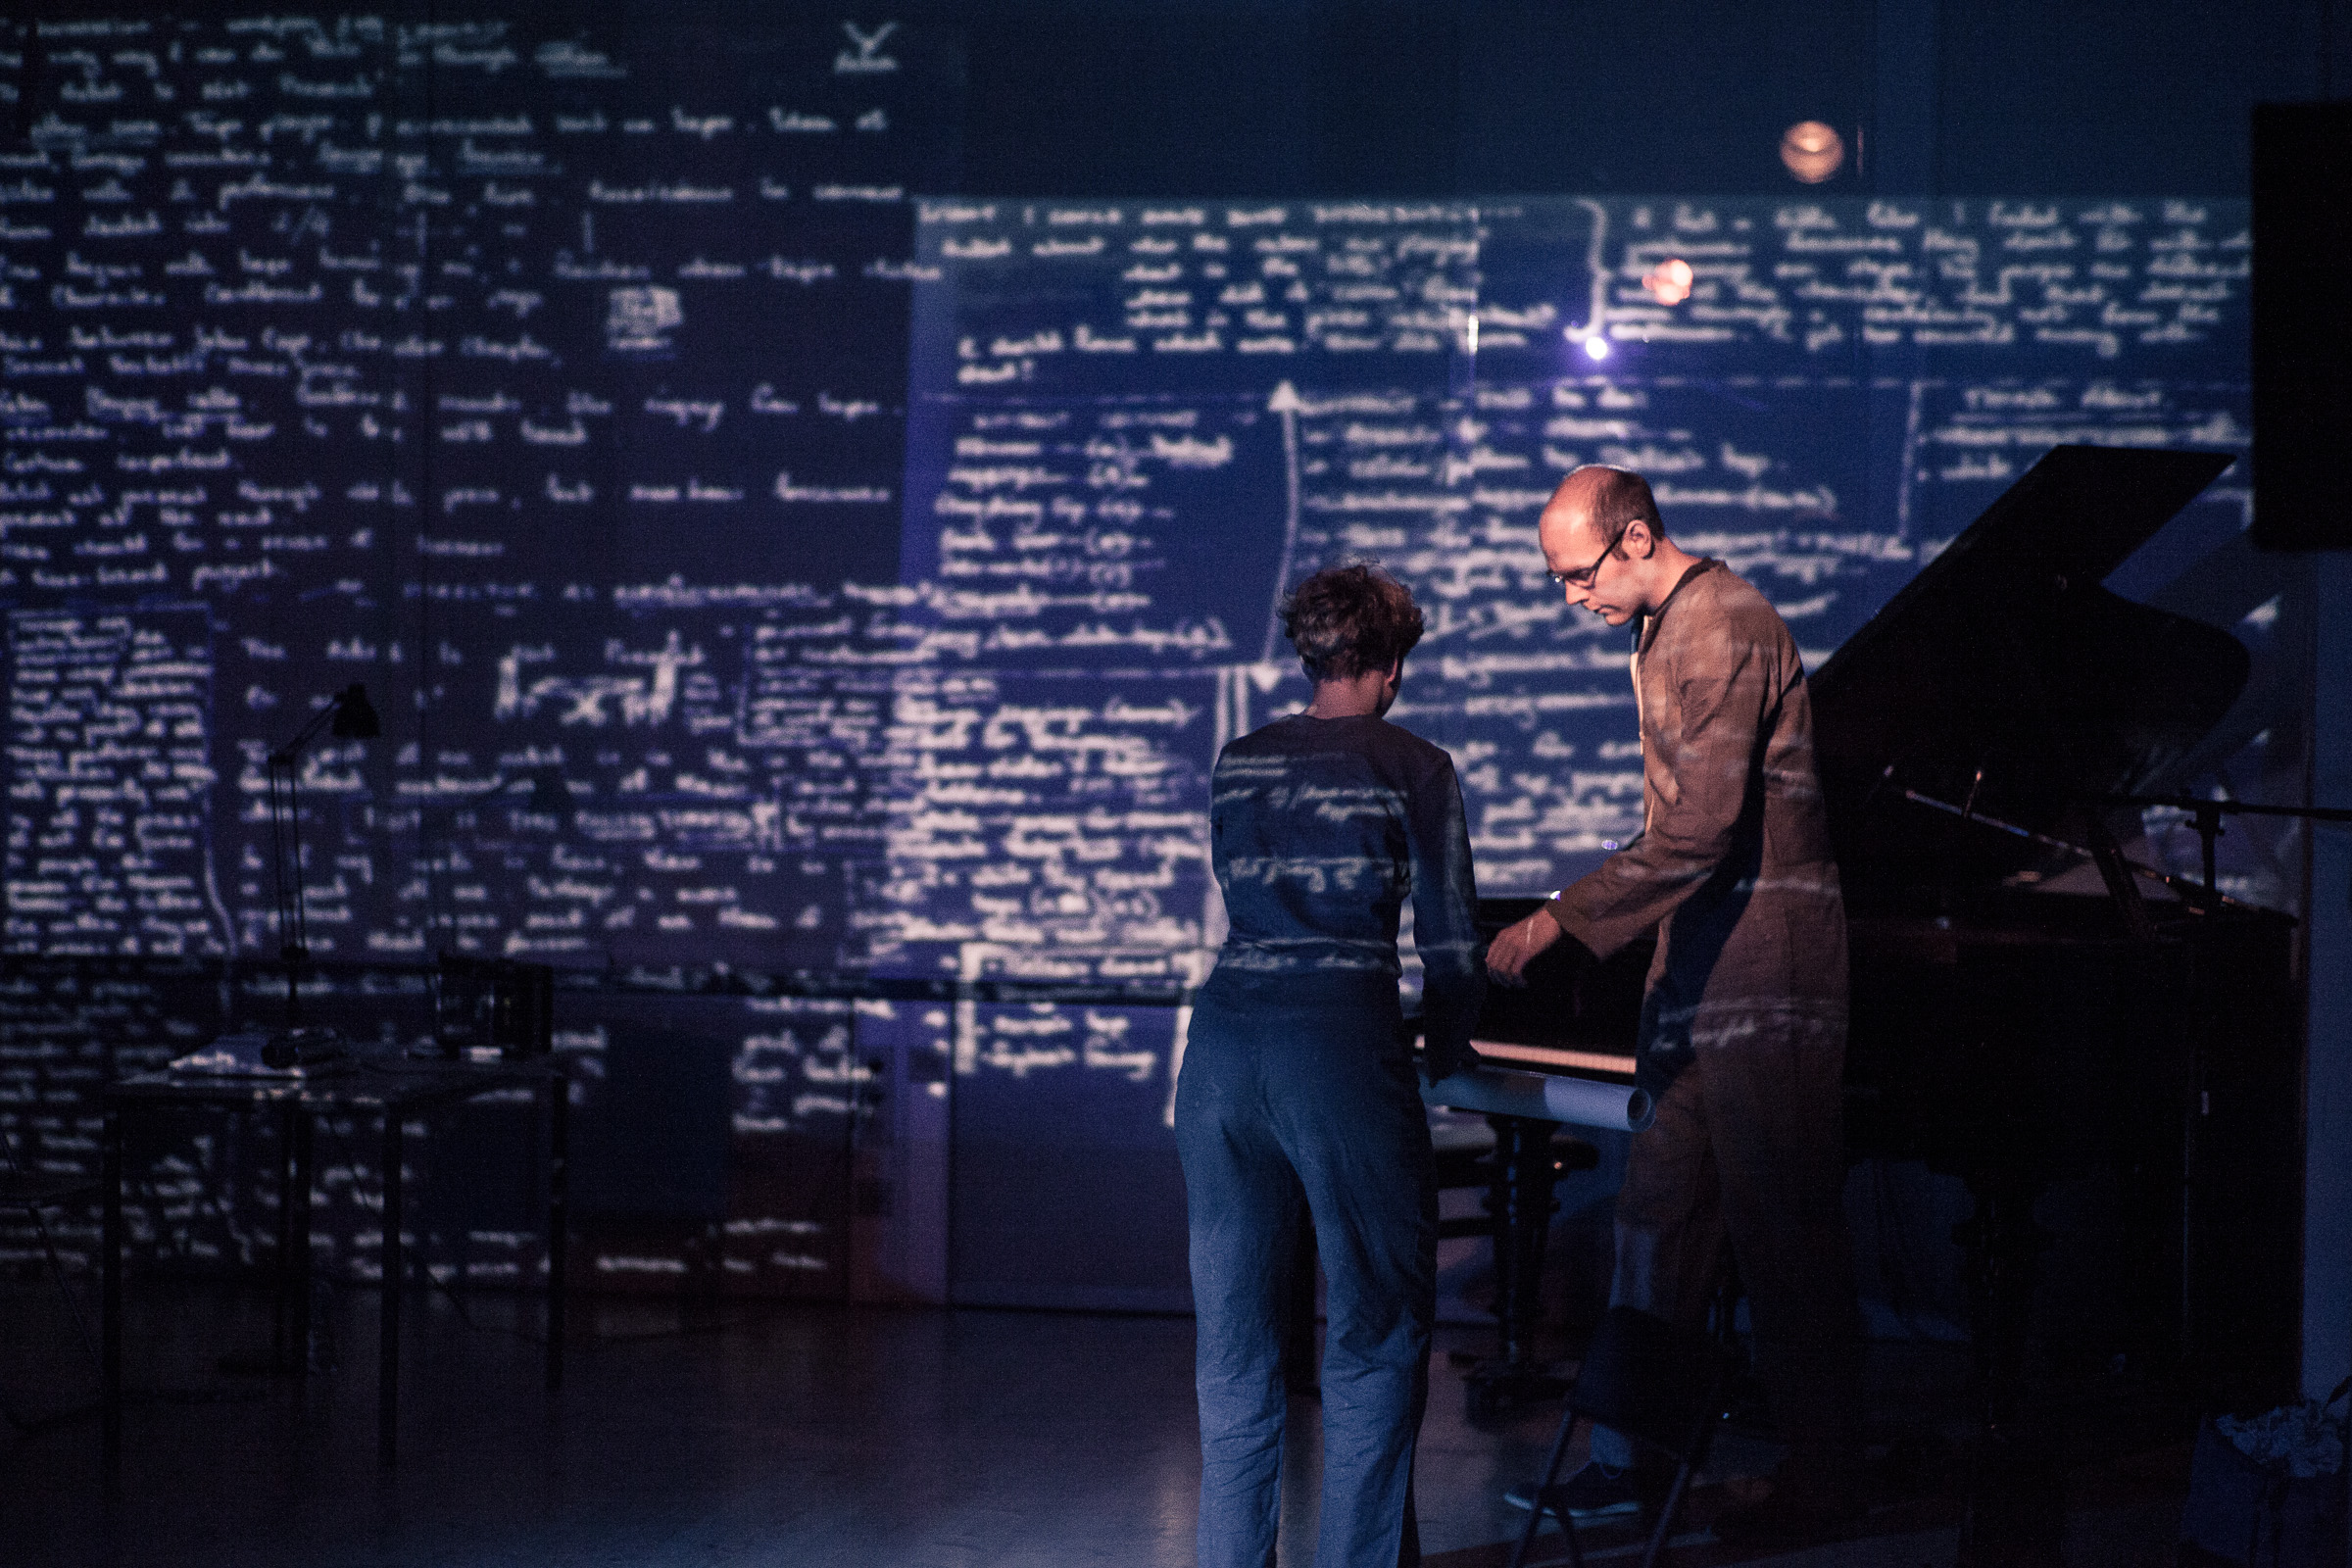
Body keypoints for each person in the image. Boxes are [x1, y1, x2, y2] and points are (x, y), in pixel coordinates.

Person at [1486, 466, 1861, 1545]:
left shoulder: (1722, 623)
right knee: (1655, 1218)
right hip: (1696, 966)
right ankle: (1626, 1464)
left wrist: (1558, 920)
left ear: (1638, 539)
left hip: (1767, 969)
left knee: (1783, 1231)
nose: (1573, 598)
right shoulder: (1665, 625)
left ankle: (1826, 1480)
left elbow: (1698, 831)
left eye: (1579, 575)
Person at [1177, 563, 1485, 1568]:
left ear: (1310, 655)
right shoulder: (1417, 766)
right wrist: (1451, 1054)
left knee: (1234, 1348)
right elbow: (1451, 948)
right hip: (1340, 1052)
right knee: (1376, 1335)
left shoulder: (1240, 760)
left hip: (1221, 1060)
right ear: (1390, 664)